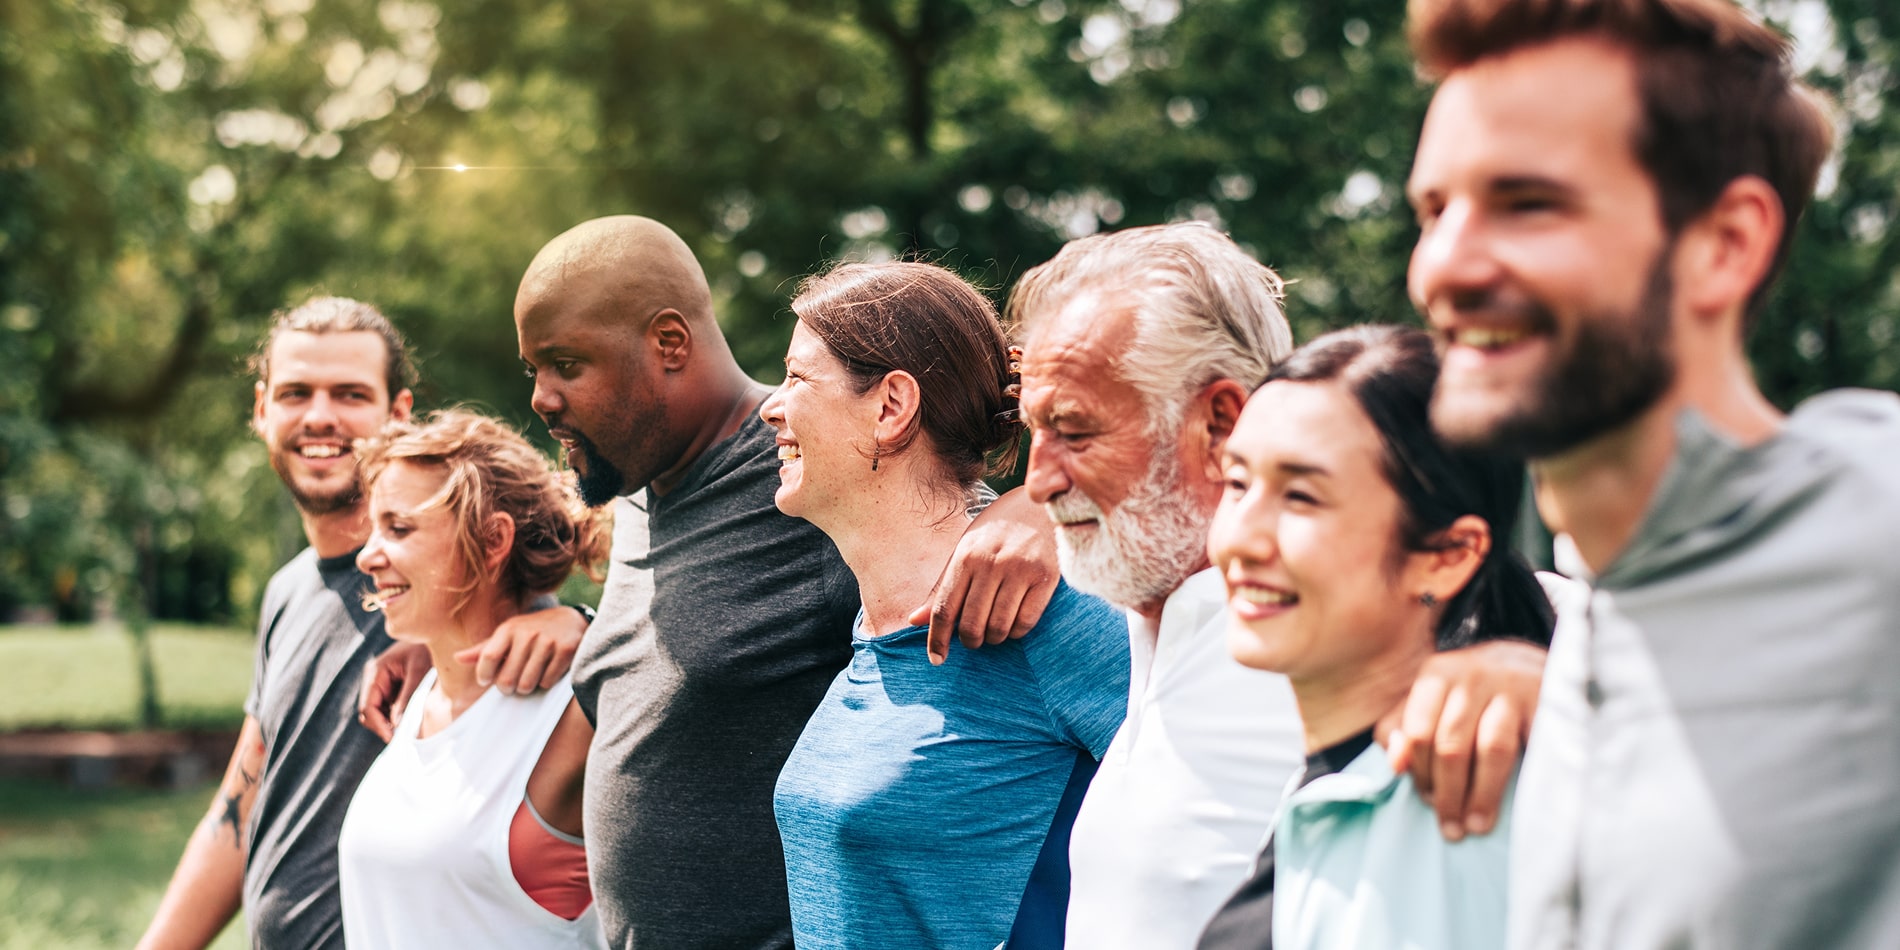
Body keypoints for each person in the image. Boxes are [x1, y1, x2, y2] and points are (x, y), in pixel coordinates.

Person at [1403, 0, 1900, 946]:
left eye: (1528, 202)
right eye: (1434, 209)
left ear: (1726, 244)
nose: (1444, 266)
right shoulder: (1587, 620)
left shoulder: (1879, 521)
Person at [508, 215, 1067, 948]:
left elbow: (949, 517)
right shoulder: (639, 486)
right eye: (532, 372)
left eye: (565, 364)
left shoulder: (809, 474)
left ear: (669, 343)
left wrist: (1045, 506)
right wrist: (552, 620)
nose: (541, 397)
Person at [1008, 222, 1548, 948]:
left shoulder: (1337, 637)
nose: (1035, 481)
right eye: (1244, 486)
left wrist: (1532, 667)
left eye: (1074, 430)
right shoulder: (1169, 623)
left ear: (1219, 420)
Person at [137, 298, 585, 950]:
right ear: (262, 409)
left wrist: (579, 622)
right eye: (296, 393)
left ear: (397, 414)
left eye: (349, 393)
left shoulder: (438, 590)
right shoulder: (289, 591)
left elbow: (543, 660)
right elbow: (243, 801)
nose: (320, 416)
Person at [759, 261, 1129, 949]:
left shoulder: (1051, 616)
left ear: (891, 408)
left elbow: (1242, 811)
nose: (769, 406)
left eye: (797, 377)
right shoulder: (873, 628)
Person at [1198, 325, 1556, 950]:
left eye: (1302, 496)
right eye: (1237, 483)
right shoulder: (1334, 786)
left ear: (1447, 555)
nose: (1239, 539)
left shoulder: (1471, 816)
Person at [339, 411, 608, 948]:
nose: (367, 556)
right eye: (373, 528)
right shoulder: (419, 697)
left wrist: (589, 623)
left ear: (491, 541)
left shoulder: (575, 710)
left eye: (398, 528)